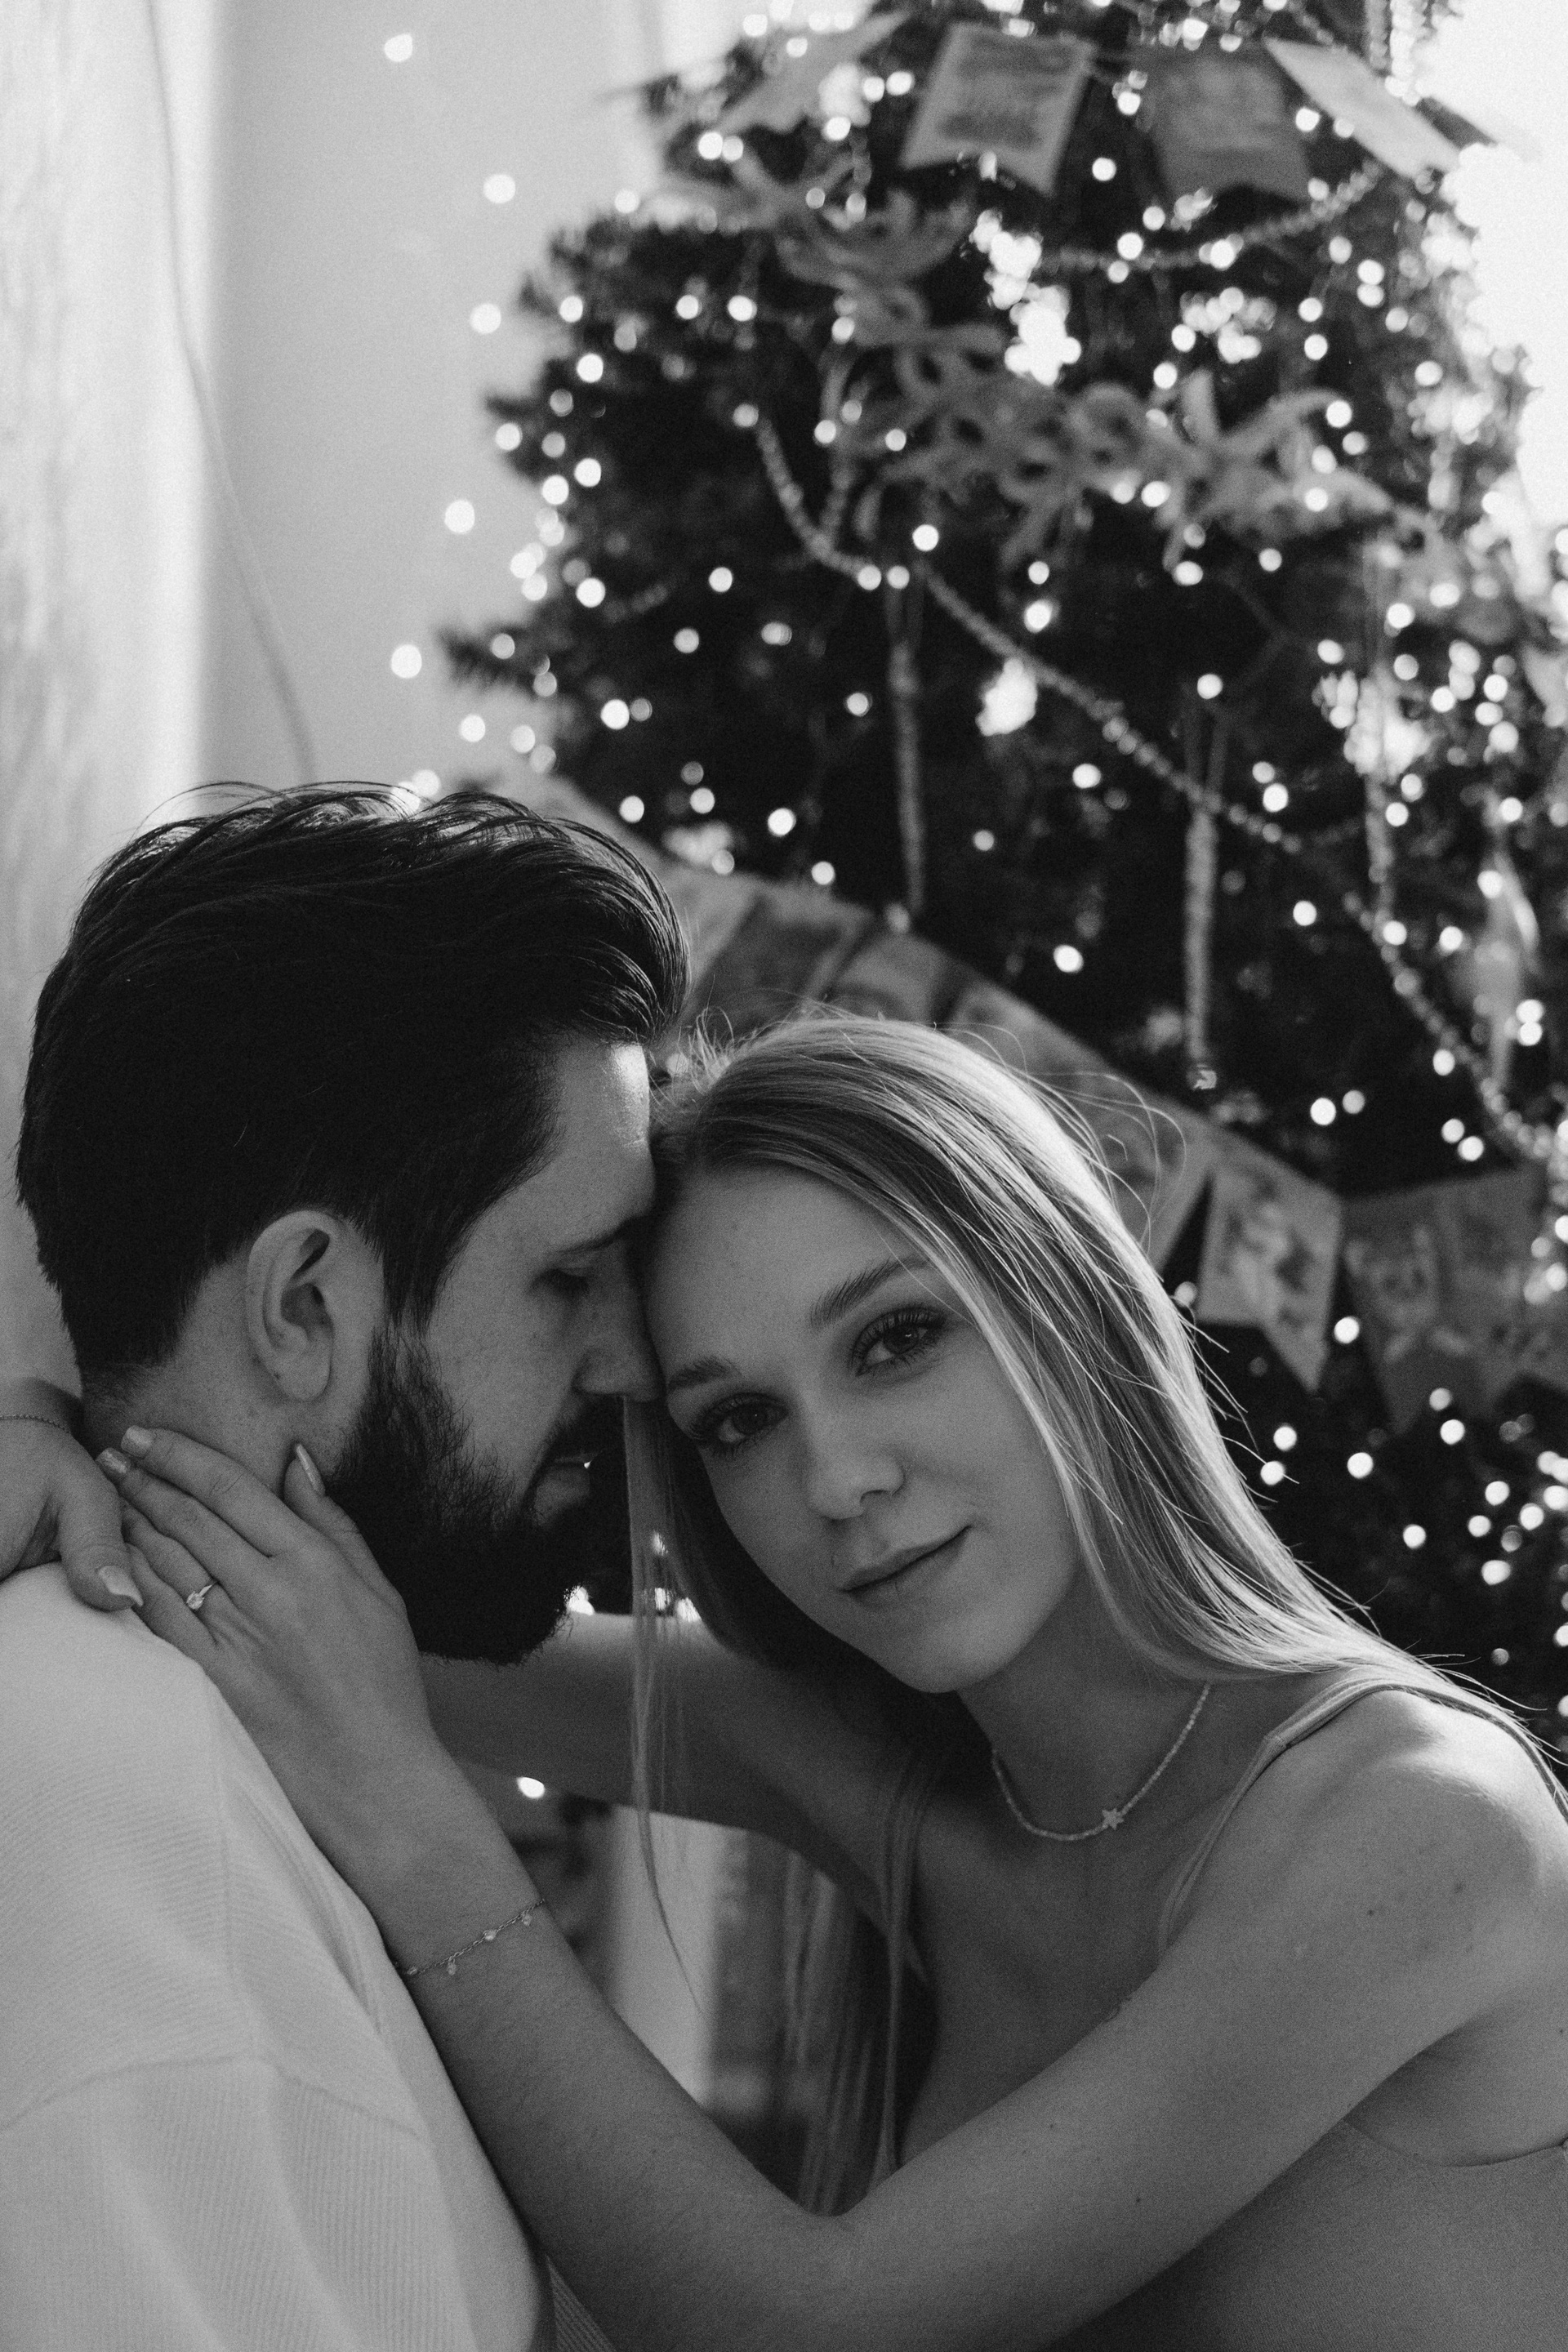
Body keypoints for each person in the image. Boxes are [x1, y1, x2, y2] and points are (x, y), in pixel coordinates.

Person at [11, 1011, 1568, 2348]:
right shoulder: (896, 1773)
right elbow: (305, 1616)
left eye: (895, 1340)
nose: (836, 1480)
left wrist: (423, 1841)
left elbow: (806, 2327)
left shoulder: (1415, 1824)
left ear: (1071, 1311)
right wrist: (45, 1430)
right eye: (738, 1420)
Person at [0, 786, 688, 2350]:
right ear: (303, 1305)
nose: (634, 1362)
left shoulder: (234, 1736)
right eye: (569, 1276)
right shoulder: (133, 1834)